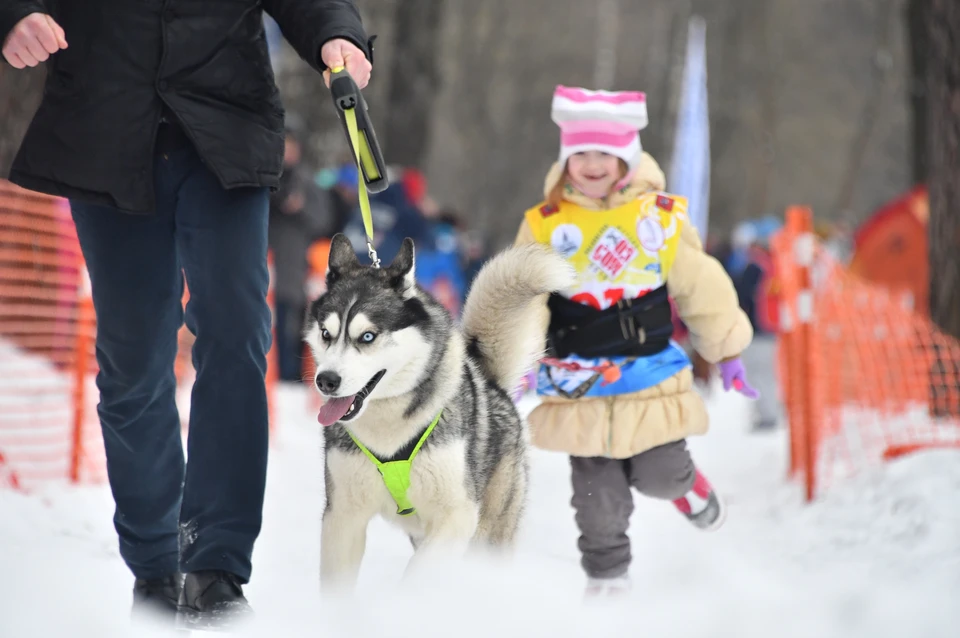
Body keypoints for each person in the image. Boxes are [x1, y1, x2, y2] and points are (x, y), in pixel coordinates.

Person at [1, 1, 372, 629]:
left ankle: (216, 567)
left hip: (224, 130)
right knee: (134, 360)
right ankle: (155, 562)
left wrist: (338, 34)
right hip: (108, 128)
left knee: (235, 332)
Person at [515, 86, 758, 597]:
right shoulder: (546, 224)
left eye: (605, 152)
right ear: (565, 161)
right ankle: (608, 581)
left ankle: (689, 489)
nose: (592, 164)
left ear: (626, 157)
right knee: (595, 497)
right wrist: (517, 357)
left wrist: (726, 348)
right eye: (580, 153)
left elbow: (701, 284)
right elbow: (523, 294)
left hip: (647, 375)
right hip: (580, 381)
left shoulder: (659, 217)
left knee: (660, 474)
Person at [269, 116, 338, 382]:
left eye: (291, 145)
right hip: (264, 263)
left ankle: (290, 376)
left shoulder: (307, 181)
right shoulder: (263, 175)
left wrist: (300, 209)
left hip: (294, 266)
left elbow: (324, 219)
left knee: (291, 326)